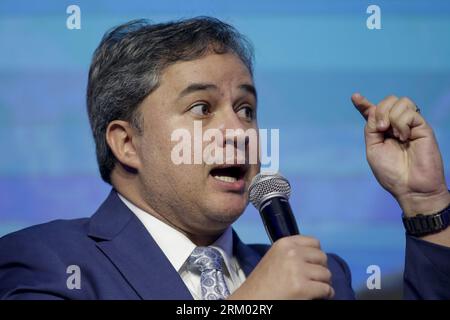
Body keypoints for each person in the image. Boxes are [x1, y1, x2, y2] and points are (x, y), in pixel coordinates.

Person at [0, 17, 449, 300]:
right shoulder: (47, 262)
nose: (239, 132)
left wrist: (425, 205)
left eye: (246, 110)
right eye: (202, 109)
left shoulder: (321, 276)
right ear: (127, 144)